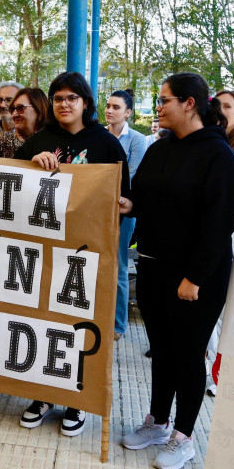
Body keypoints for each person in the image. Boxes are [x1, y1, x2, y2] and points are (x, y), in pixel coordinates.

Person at [121, 72, 234, 469]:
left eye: (164, 100)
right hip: (154, 268)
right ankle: (157, 421)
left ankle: (184, 436)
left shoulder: (218, 154)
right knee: (163, 351)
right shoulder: (161, 148)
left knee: (189, 355)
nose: (158, 107)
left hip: (195, 279)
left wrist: (195, 278)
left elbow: (219, 221)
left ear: (190, 103)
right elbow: (143, 196)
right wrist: (127, 205)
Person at [14, 72, 130, 438]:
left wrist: (126, 206)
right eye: (59, 98)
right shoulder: (38, 141)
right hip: (42, 252)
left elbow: (122, 199)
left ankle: (75, 398)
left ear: (85, 102)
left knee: (79, 326)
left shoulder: (107, 144)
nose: (65, 104)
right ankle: (42, 393)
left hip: (85, 254)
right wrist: (30, 164)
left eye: (72, 98)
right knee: (42, 321)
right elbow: (8, 190)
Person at [205, 89, 234, 395]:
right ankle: (211, 370)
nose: (221, 110)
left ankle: (221, 372)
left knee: (226, 311)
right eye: (216, 105)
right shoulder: (209, 144)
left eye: (228, 106)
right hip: (208, 239)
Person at [106, 90, 146, 341]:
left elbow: (131, 177)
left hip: (123, 210)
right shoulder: (98, 135)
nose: (110, 110)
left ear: (128, 112)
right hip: (97, 209)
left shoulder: (137, 140)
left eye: (116, 107)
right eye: (108, 106)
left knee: (119, 265)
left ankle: (118, 325)